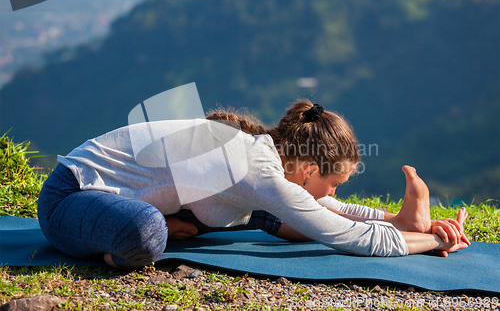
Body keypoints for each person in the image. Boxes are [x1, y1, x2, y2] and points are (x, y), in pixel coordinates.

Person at [37, 100, 470, 268]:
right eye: (333, 183)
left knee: (259, 215)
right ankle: (140, 236)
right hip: (72, 197)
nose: (334, 194)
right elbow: (339, 233)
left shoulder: (263, 158)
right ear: (306, 169)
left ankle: (164, 222)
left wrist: (399, 222)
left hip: (124, 198)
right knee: (146, 233)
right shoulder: (256, 169)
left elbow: (322, 212)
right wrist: (431, 242)